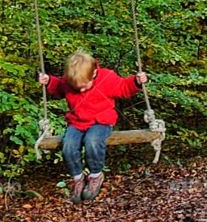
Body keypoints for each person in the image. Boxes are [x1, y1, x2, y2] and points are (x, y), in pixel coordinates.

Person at [38, 50, 149, 203]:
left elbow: (124, 87)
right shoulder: (70, 80)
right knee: (68, 145)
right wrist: (48, 81)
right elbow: (58, 88)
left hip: (101, 121)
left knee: (92, 141)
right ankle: (78, 178)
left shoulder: (107, 78)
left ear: (94, 73)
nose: (81, 90)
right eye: (77, 87)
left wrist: (136, 81)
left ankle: (96, 175)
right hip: (77, 122)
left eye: (84, 86)